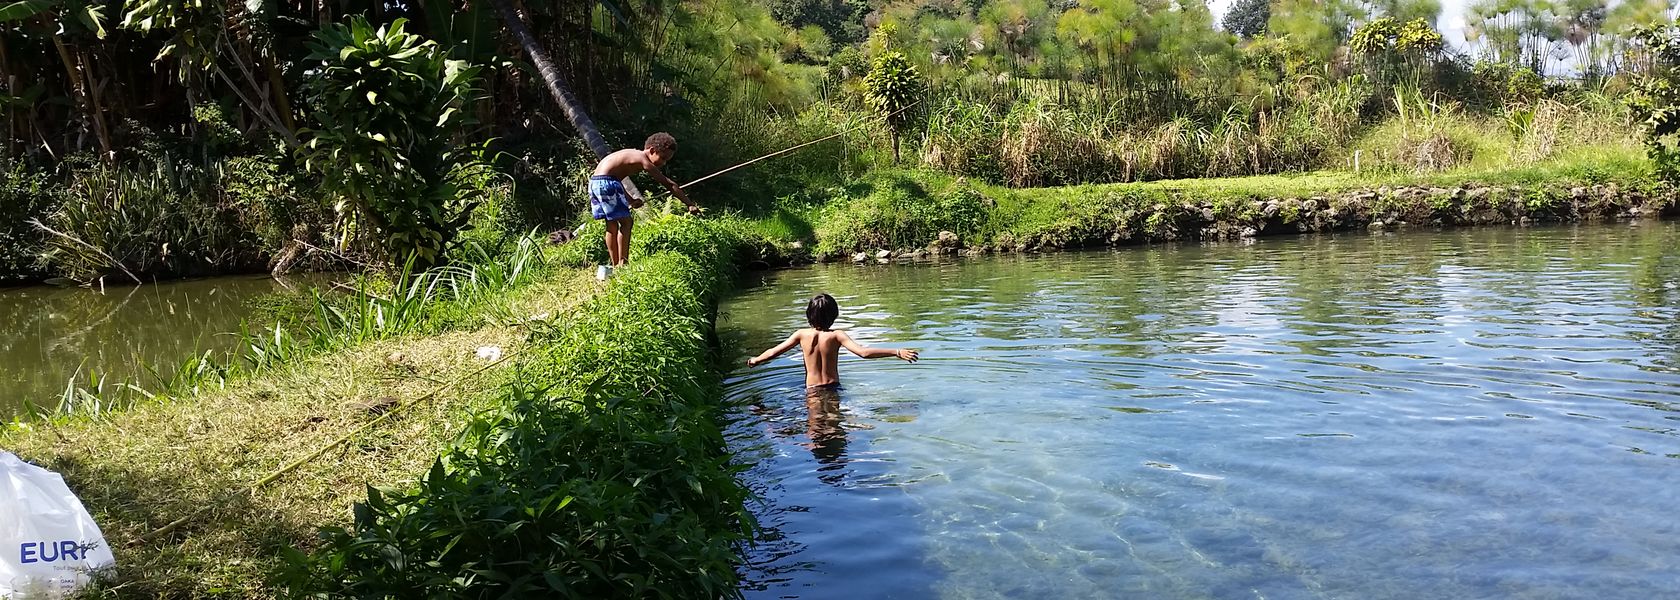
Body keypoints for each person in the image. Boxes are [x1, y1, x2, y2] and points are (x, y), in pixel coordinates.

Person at [588, 132, 702, 280]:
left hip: (596, 183)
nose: (664, 163)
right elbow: (669, 184)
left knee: (612, 224)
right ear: (652, 150)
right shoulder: (642, 159)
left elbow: (614, 178)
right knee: (626, 222)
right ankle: (622, 264)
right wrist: (689, 204)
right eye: (663, 158)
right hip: (607, 183)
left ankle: (616, 266)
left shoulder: (631, 155)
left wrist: (630, 200)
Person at [745, 293, 920, 389]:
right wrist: (896, 352)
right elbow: (863, 353)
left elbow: (774, 352)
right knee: (834, 426)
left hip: (812, 390)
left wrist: (756, 359)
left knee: (814, 427)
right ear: (834, 315)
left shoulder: (801, 334)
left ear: (809, 315)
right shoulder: (837, 335)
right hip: (832, 388)